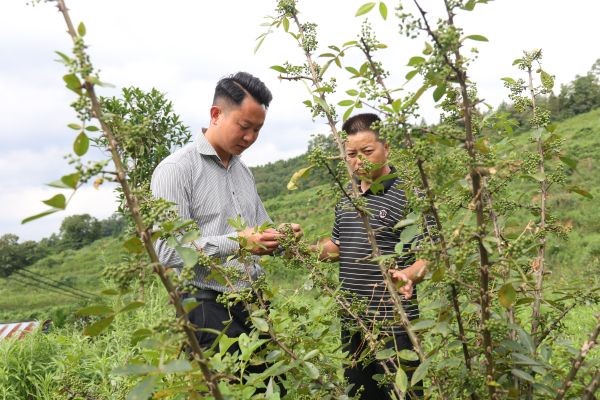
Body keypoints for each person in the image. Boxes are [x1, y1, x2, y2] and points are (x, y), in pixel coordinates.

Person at [150, 71, 302, 352]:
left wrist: (280, 237)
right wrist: (239, 242)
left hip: (253, 303)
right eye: (244, 126)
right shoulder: (176, 170)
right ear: (216, 114)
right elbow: (168, 252)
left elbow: (259, 230)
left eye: (257, 129)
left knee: (271, 390)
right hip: (207, 305)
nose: (250, 137)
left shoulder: (242, 170)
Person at [316, 113, 434, 399]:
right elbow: (337, 246)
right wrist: (296, 248)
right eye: (352, 154)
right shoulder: (347, 196)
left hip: (395, 322)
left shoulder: (410, 195)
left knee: (405, 394)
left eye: (367, 151)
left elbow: (429, 257)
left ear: (386, 147)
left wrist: (406, 275)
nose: (359, 160)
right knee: (361, 393)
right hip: (353, 321)